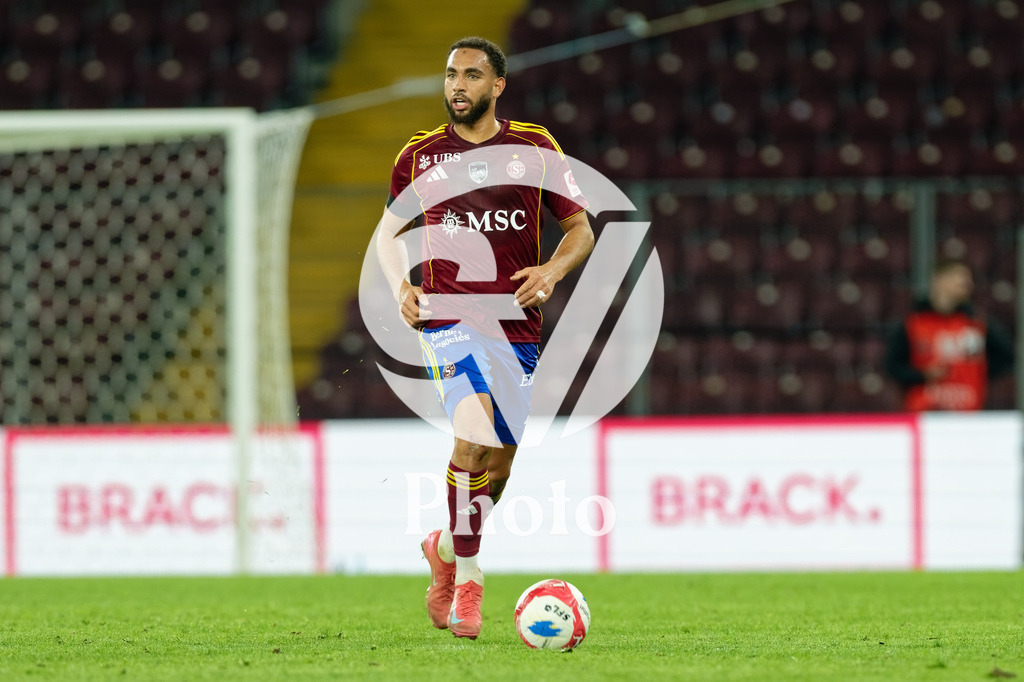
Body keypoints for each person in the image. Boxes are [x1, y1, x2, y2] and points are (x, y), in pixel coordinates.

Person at [373, 37, 594, 639]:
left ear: (497, 86)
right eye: (451, 74)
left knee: (496, 469)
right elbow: (387, 234)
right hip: (447, 320)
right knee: (471, 435)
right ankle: (468, 582)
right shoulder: (420, 156)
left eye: (471, 75)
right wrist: (401, 287)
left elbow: (580, 230)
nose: (457, 85)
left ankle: (445, 547)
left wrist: (552, 271)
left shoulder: (536, 148)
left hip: (516, 328)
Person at [885, 257, 1013, 411]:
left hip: (968, 412)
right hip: (925, 412)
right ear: (938, 280)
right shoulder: (913, 322)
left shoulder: (976, 322)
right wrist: (922, 375)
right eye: (959, 276)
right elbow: (893, 367)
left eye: (968, 279)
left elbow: (1006, 355)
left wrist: (977, 371)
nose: (967, 283)